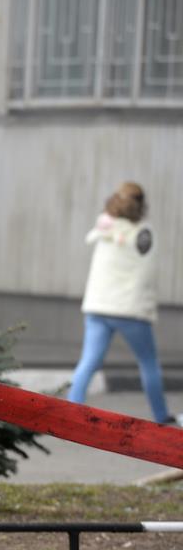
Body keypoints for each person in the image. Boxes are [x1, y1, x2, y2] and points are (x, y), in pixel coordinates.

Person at [68, 182, 175, 425]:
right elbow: (147, 273)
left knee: (89, 360)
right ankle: (161, 417)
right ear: (141, 205)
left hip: (98, 306)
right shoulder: (144, 233)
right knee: (148, 362)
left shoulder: (104, 226)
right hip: (131, 310)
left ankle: (72, 410)